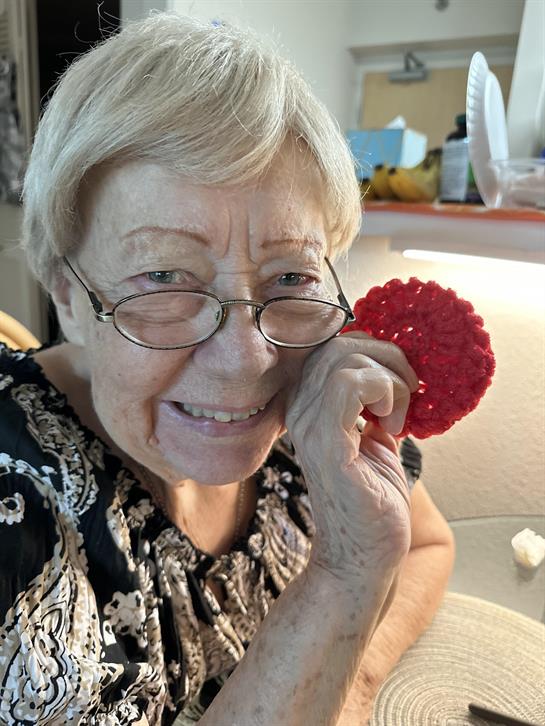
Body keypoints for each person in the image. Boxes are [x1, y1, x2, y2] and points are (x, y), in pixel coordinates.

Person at [0, 13, 455, 725]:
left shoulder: (318, 402)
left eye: (290, 278)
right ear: (67, 291)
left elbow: (425, 540)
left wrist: (355, 677)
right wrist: (341, 580)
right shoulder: (14, 506)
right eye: (161, 276)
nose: (248, 359)